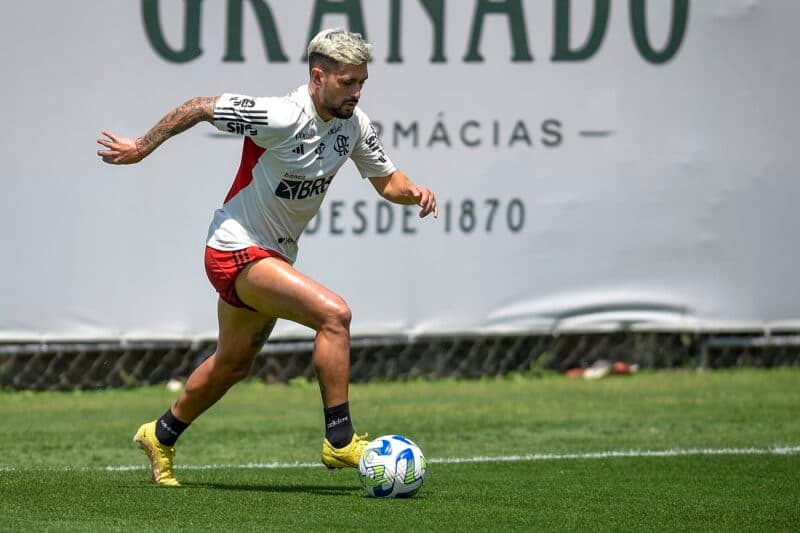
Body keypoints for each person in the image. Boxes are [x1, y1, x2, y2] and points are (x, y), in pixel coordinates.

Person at [96, 28, 438, 487]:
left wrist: (413, 193)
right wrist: (140, 147)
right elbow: (199, 107)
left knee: (234, 363)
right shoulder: (282, 115)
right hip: (235, 247)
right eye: (348, 82)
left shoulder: (353, 125)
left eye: (362, 83)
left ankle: (160, 434)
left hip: (271, 254)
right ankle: (340, 440)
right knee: (334, 315)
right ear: (318, 76)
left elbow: (387, 181)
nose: (356, 92)